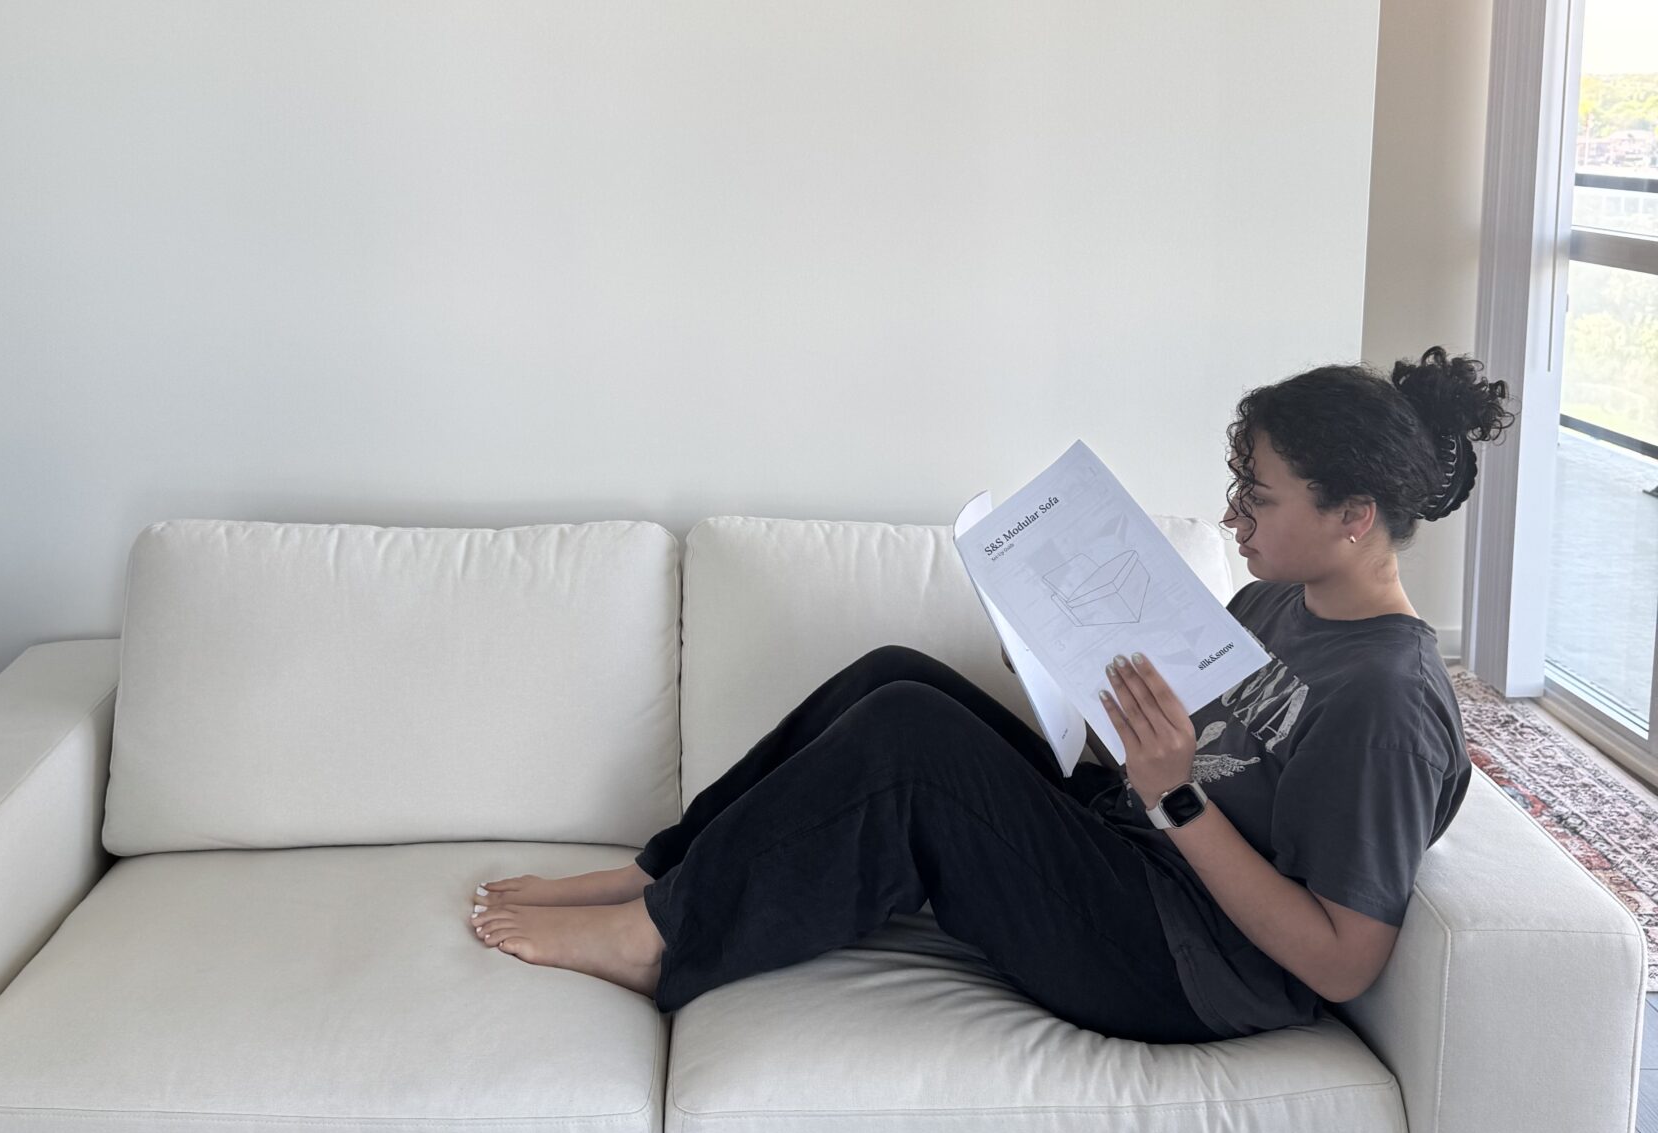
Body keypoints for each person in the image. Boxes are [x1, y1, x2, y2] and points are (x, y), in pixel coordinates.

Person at [468, 346, 1516, 1041]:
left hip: (1179, 964)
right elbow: (1183, 761)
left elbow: (1342, 959)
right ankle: (659, 874)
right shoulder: (1278, 603)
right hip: (1135, 856)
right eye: (1239, 486)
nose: (1234, 516)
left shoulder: (1387, 700)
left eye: (1260, 497)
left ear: (1353, 516)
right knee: (896, 676)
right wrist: (1075, 682)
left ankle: (660, 940)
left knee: (912, 740)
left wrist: (1175, 797)